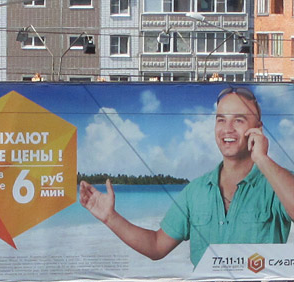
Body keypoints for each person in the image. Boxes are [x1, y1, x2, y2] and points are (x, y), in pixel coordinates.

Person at [79, 86, 294, 267]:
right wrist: (110, 217)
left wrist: (263, 159)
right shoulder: (196, 190)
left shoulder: (278, 181)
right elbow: (156, 246)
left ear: (257, 129)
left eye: (238, 120)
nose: (227, 129)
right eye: (221, 120)